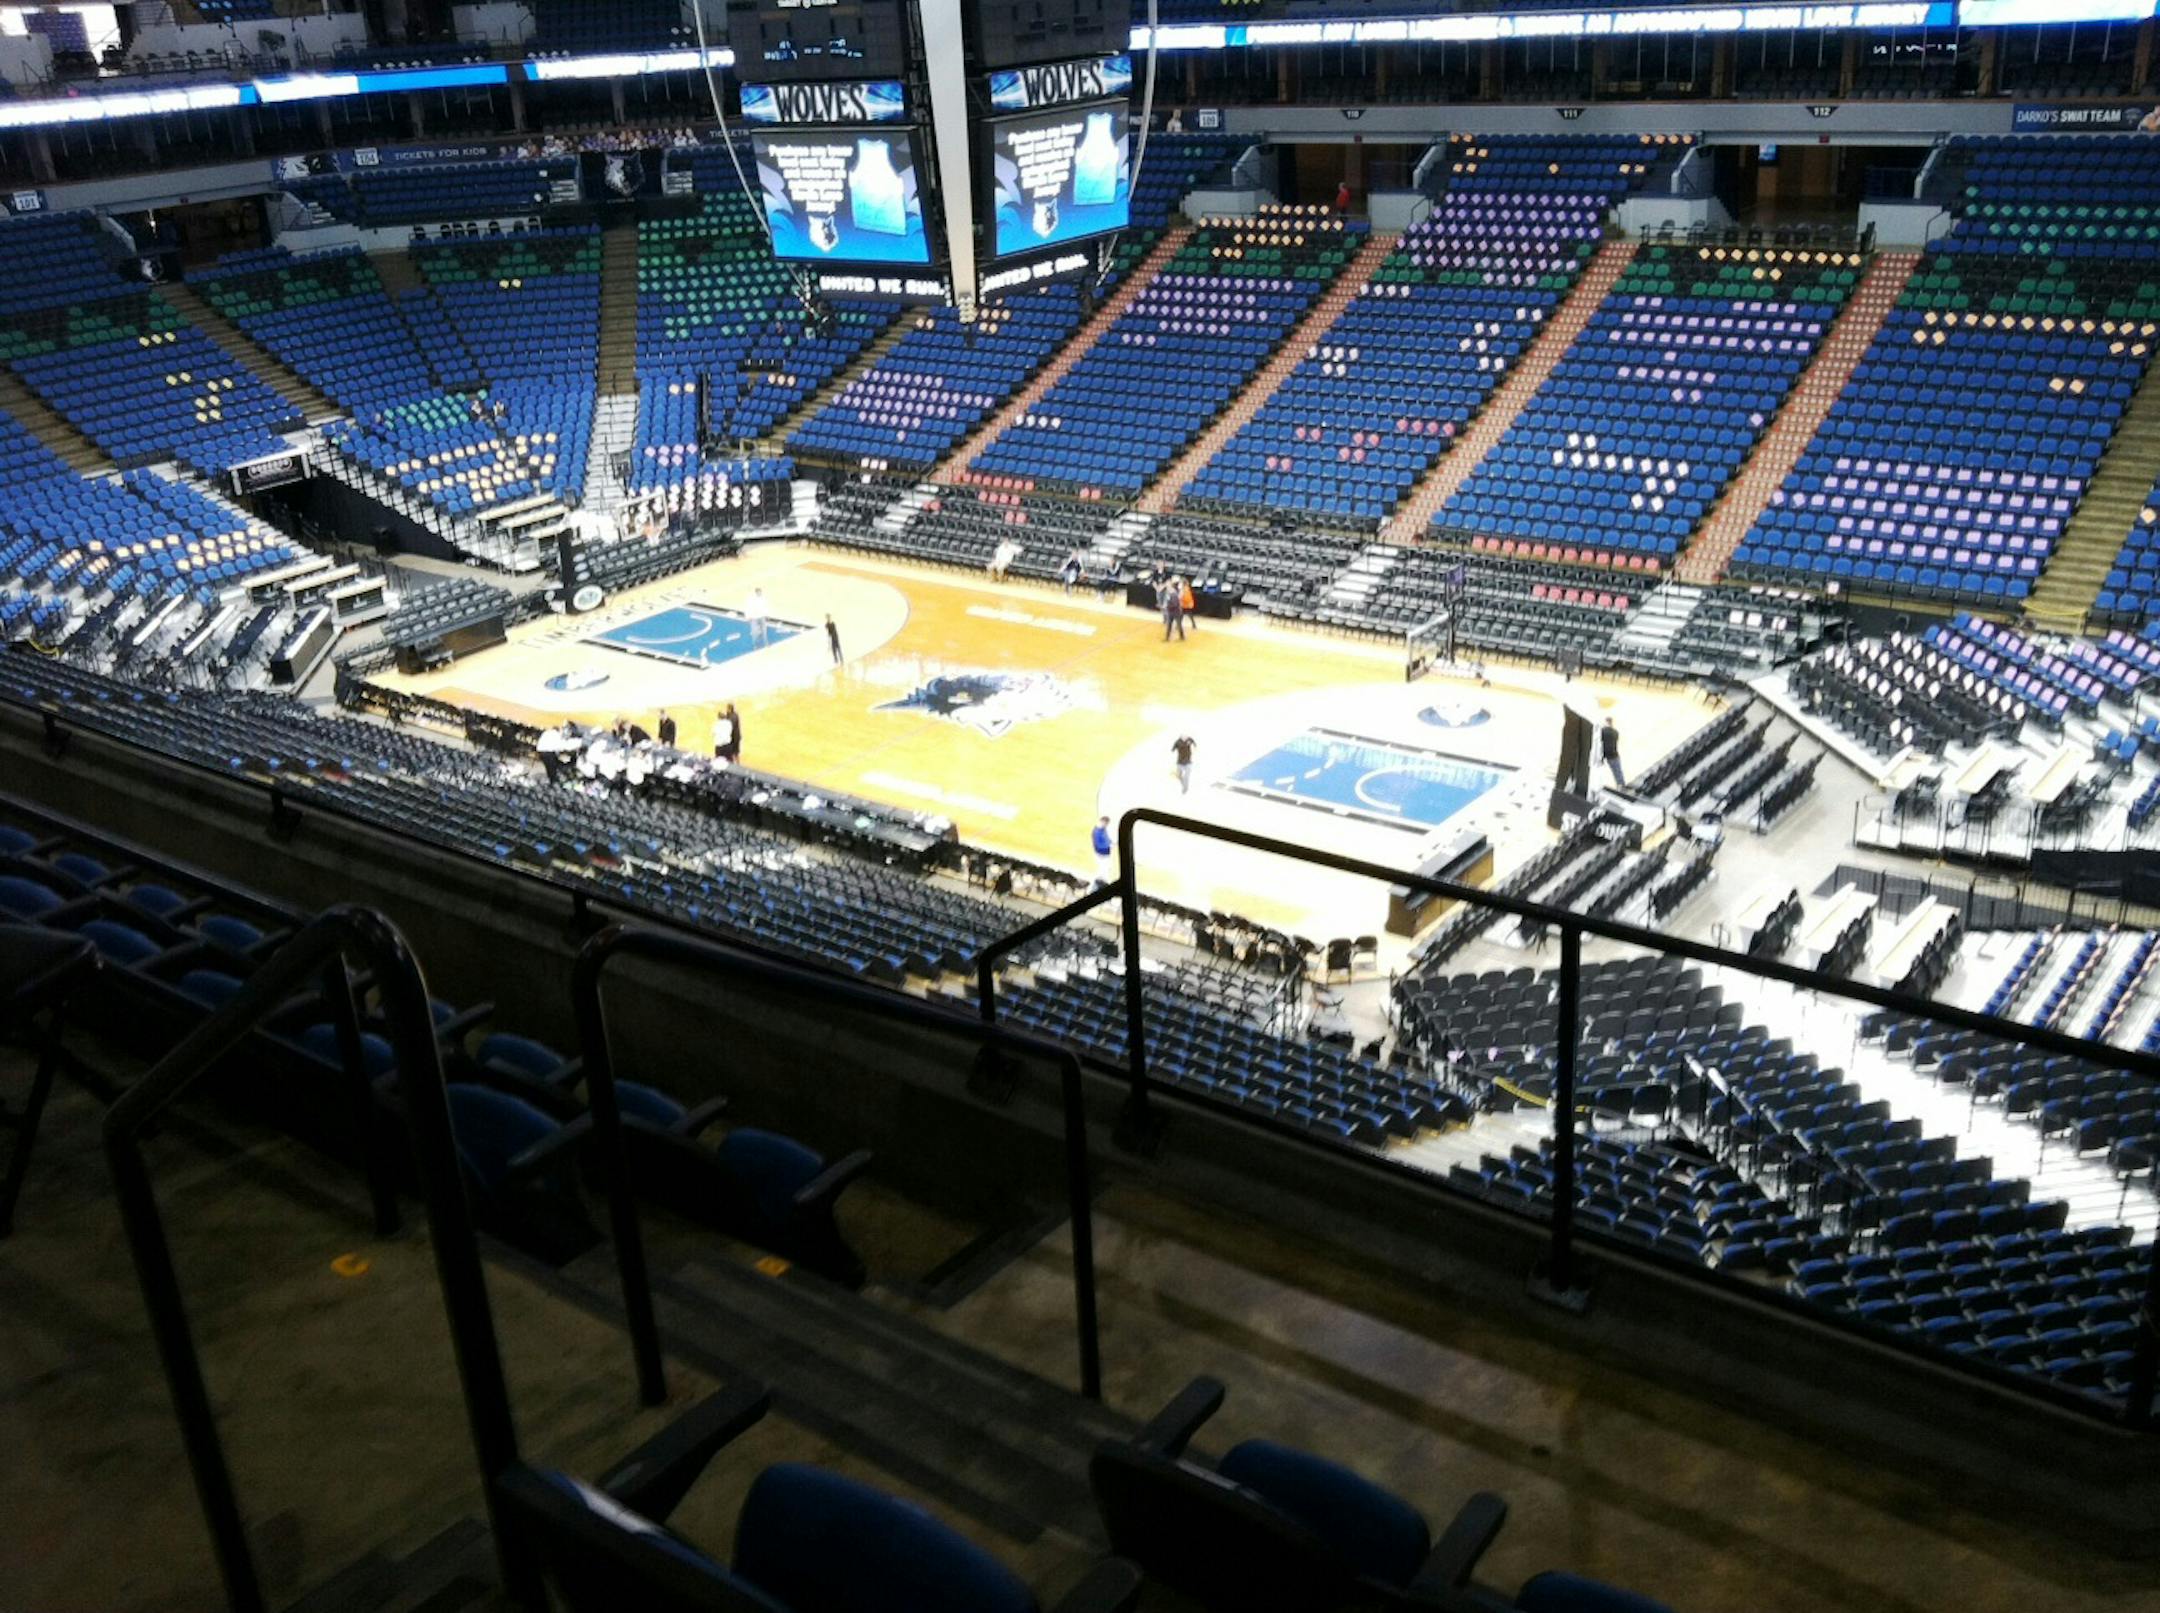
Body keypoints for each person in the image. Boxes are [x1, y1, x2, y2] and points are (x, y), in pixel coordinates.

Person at [1600, 716, 1624, 789]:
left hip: (1605, 755)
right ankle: (1621, 785)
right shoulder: (1615, 732)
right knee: (1618, 772)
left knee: (1615, 771)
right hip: (1614, 754)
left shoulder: (1603, 731)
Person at [1160, 576, 1185, 642]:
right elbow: (1168, 601)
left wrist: (1167, 606)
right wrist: (1165, 606)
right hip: (1171, 611)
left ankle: (1182, 637)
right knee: (1169, 625)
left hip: (1176, 611)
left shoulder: (1173, 593)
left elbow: (1175, 604)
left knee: (1179, 625)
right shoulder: (1169, 592)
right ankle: (1167, 638)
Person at [1091, 815, 1114, 885]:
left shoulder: (1103, 829)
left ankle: (1103, 881)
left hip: (1106, 852)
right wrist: (1109, 845)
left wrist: (1110, 842)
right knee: (1104, 869)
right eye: (1106, 824)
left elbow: (1106, 838)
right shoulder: (1096, 832)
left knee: (1107, 868)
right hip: (1101, 854)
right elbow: (1099, 844)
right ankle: (1104, 882)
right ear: (1103, 822)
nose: (1107, 825)